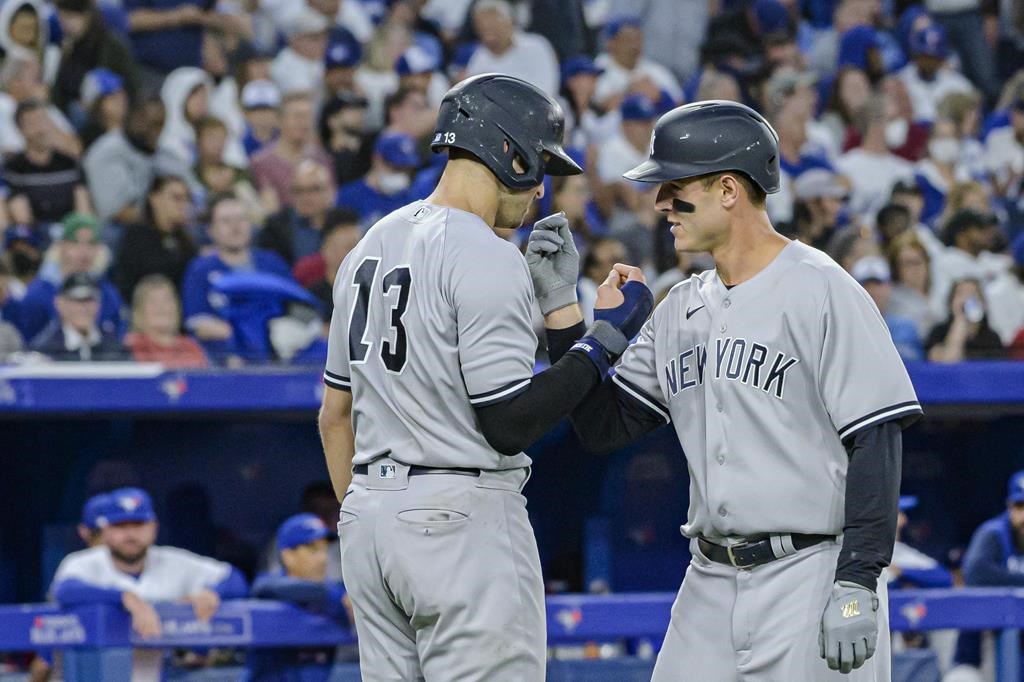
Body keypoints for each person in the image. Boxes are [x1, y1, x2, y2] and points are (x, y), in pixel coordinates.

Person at [528, 100, 922, 680]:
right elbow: (602, 428)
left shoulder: (822, 289)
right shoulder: (680, 307)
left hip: (810, 571)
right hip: (708, 580)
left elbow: (877, 439)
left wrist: (858, 578)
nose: (661, 202)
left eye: (675, 185)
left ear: (730, 190)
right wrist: (567, 319)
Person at [318, 73, 652, 681]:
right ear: (511, 153)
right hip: (459, 519)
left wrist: (370, 520)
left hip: (369, 520)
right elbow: (509, 422)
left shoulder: (371, 242)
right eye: (541, 165)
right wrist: (604, 340)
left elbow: (333, 416)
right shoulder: (484, 252)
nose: (542, 188)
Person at [50, 487, 247, 677]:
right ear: (105, 531)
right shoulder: (85, 562)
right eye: (120, 526)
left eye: (138, 524)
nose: (130, 534)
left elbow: (234, 578)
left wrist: (212, 592)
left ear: (154, 528)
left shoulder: (173, 561)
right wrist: (125, 598)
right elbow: (65, 591)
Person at [181, 193, 292, 363]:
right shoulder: (200, 271)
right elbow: (198, 323)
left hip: (278, 356)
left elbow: (297, 306)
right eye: (226, 221)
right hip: (222, 362)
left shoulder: (272, 264)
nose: (235, 227)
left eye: (241, 219)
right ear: (210, 230)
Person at [246, 513, 349, 682]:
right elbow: (262, 587)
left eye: (324, 549)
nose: (323, 558)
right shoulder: (269, 588)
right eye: (312, 549)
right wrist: (335, 597)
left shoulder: (336, 592)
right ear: (288, 556)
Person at [16, 213, 122, 343]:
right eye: (75, 242)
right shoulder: (37, 295)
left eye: (91, 243)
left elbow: (116, 343)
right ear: (62, 245)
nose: (84, 251)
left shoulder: (108, 294)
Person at [83, 96, 169, 226]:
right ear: (134, 118)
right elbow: (116, 212)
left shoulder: (153, 151)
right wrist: (165, 216)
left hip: (142, 225)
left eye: (161, 124)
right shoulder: (108, 152)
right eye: (152, 122)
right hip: (110, 229)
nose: (157, 131)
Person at [5, 99, 92, 227]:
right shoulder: (14, 169)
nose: (41, 129)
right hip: (36, 237)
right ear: (20, 130)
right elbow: (22, 219)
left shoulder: (70, 163)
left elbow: (83, 212)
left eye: (43, 121)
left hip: (71, 236)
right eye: (32, 123)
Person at [114, 174, 197, 299]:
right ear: (154, 199)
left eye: (186, 198)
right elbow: (125, 282)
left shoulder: (186, 241)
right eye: (176, 198)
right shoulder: (136, 236)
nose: (183, 204)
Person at [464, 0, 560, 96]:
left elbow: (547, 90)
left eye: (493, 25)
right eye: (483, 28)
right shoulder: (478, 58)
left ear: (509, 21)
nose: (488, 32)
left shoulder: (536, 46)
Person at [29, 273, 125, 361]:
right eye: (77, 301)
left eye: (89, 300)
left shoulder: (114, 345)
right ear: (59, 304)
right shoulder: (45, 349)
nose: (84, 308)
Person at [335, 132, 423, 228]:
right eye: (396, 168)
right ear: (377, 159)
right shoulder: (348, 197)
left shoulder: (413, 198)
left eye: (407, 170)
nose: (401, 175)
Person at [258, 160, 336, 267]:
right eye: (299, 190)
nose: (306, 197)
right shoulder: (275, 228)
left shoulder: (343, 222)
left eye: (314, 189)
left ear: (330, 191)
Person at [124, 273, 208, 368]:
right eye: (153, 301)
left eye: (167, 300)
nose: (161, 307)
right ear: (139, 311)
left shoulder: (191, 347)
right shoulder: (128, 349)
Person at [850, 255, 924, 361]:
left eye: (877, 284)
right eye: (865, 285)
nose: (872, 291)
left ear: (889, 287)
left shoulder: (906, 328)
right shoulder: (845, 330)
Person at [925, 277, 1005, 361]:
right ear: (951, 303)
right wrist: (960, 320)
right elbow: (947, 361)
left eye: (972, 294)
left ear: (983, 304)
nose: (966, 299)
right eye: (960, 294)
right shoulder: (938, 332)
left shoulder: (992, 338)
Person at [888, 496, 953, 589]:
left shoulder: (899, 549)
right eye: (898, 513)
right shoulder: (869, 550)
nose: (903, 519)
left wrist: (901, 572)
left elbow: (944, 578)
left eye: (901, 513)